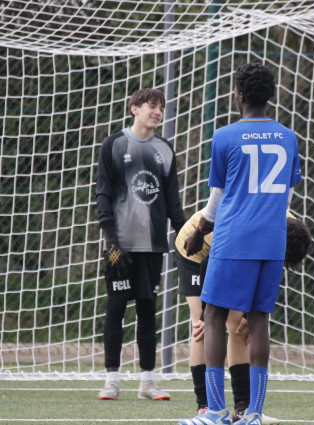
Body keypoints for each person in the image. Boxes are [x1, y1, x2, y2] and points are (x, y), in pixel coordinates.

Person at [179, 63, 303, 425]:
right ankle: (254, 413)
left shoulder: (225, 136)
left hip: (233, 238)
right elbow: (286, 195)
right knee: (259, 320)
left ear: (240, 96)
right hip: (272, 240)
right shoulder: (288, 137)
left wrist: (200, 230)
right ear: (270, 96)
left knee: (214, 316)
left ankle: (216, 411)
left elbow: (218, 197)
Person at [175, 209, 311, 424]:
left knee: (240, 325)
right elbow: (208, 263)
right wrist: (205, 314)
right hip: (197, 249)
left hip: (233, 249)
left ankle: (243, 407)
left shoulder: (290, 230)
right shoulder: (252, 230)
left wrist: (250, 313)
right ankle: (206, 406)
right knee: (202, 326)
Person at [96, 88, 186, 402]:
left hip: (152, 246)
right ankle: (111, 381)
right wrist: (111, 241)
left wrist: (187, 235)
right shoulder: (113, 144)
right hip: (119, 246)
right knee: (116, 309)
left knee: (147, 311)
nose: (158, 112)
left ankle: (148, 382)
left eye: (161, 107)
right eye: (152, 106)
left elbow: (173, 203)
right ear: (134, 108)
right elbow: (103, 195)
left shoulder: (165, 149)